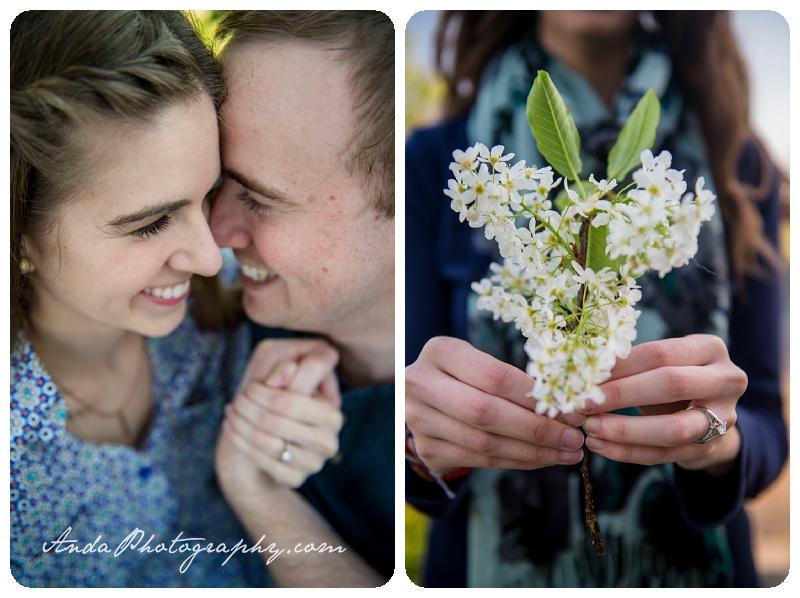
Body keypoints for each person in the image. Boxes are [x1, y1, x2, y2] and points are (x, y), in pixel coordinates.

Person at [405, 10, 786, 587]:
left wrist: (717, 440)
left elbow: (765, 429)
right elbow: (404, 420)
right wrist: (422, 444)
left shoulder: (739, 162)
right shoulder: (436, 161)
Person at [10, 10, 341, 587]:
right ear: (21, 233)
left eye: (207, 194)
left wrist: (264, 481)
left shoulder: (242, 319)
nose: (213, 258)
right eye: (150, 224)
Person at [208, 11, 395, 587]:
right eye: (217, 180)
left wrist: (257, 490)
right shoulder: (196, 326)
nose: (212, 233)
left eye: (259, 198)